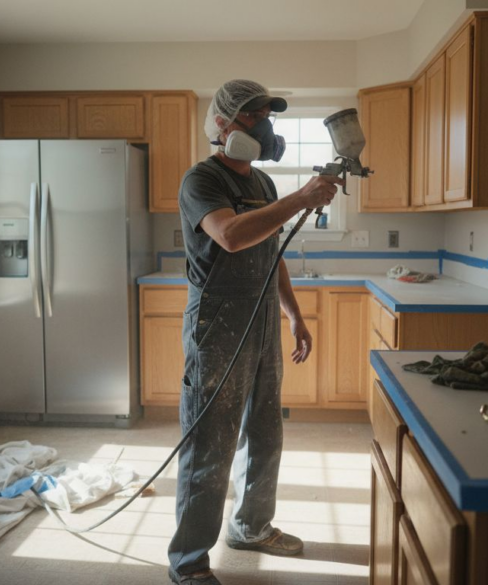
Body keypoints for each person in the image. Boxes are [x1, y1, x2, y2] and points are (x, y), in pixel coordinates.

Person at [167, 79, 343, 585]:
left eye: (267, 115)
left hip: (262, 315)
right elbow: (232, 234)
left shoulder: (263, 186)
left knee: (266, 430)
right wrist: (301, 197)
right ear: (223, 126)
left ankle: (250, 526)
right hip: (217, 322)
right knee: (211, 443)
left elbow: (271, 252)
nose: (264, 126)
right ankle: (189, 562)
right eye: (253, 116)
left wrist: (293, 314)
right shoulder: (201, 180)